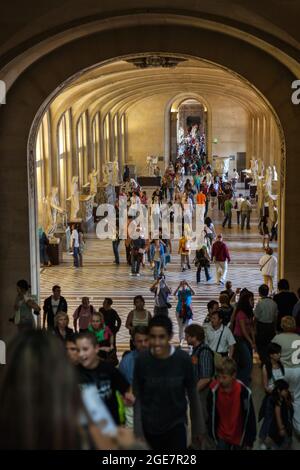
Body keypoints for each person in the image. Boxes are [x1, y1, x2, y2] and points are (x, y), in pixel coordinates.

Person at [133, 315, 205, 450]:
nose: (156, 342)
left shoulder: (182, 360)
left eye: (161, 337)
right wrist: (138, 431)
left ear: (170, 336)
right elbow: (138, 399)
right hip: (149, 427)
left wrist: (197, 429)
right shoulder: (142, 361)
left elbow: (193, 395)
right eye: (153, 337)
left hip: (175, 426)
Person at [76, 332, 134, 425]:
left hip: (110, 426)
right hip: (86, 428)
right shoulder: (73, 373)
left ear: (96, 348)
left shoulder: (109, 369)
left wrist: (128, 399)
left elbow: (126, 389)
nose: (81, 354)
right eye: (78, 350)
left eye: (85, 349)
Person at [207, 358, 257, 450]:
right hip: (221, 437)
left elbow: (250, 416)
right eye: (218, 376)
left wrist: (250, 440)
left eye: (224, 377)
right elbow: (210, 413)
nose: (220, 380)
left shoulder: (244, 392)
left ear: (233, 375)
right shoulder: (214, 391)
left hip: (238, 438)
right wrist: (212, 435)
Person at [185, 323, 215, 449]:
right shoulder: (196, 351)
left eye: (187, 336)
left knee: (202, 425)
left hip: (202, 394)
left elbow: (206, 378)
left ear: (194, 337)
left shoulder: (204, 352)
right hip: (197, 394)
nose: (186, 338)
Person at [272, 316, 300, 435]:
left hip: (283, 370)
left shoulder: (277, 338)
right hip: (297, 370)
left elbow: (271, 353)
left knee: (279, 398)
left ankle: (282, 423)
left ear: (282, 325)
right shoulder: (299, 338)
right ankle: (298, 427)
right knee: (297, 398)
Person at [260, 380, 293, 450]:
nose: (287, 391)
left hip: (278, 426)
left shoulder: (282, 398)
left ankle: (268, 445)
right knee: (277, 441)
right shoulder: (278, 401)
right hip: (277, 426)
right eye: (285, 390)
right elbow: (278, 416)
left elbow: (288, 406)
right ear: (279, 390)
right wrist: (281, 428)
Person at [232, 292, 256, 387]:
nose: (253, 302)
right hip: (239, 338)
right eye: (251, 300)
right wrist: (251, 342)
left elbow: (251, 328)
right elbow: (243, 330)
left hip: (246, 338)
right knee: (248, 361)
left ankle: (243, 378)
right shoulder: (241, 313)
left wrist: (253, 340)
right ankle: (242, 381)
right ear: (246, 301)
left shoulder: (250, 312)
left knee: (246, 359)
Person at [254, 284, 278, 363]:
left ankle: (264, 363)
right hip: (271, 327)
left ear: (260, 293)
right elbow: (275, 317)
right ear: (267, 292)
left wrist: (254, 329)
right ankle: (269, 362)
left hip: (261, 327)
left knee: (261, 347)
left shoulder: (260, 303)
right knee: (270, 346)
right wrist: (274, 328)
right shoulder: (273, 303)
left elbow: (256, 318)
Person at [174, 281, 195, 346]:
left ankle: (190, 341)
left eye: (184, 284)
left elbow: (194, 293)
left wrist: (188, 285)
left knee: (188, 327)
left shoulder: (188, 291)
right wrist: (178, 286)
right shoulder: (180, 292)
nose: (183, 285)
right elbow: (174, 294)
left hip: (188, 311)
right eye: (182, 284)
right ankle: (181, 340)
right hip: (179, 311)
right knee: (181, 327)